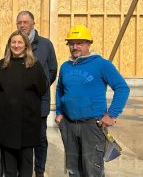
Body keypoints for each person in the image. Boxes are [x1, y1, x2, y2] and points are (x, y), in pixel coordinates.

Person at [55, 25, 130, 177]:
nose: (75, 47)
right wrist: (59, 112)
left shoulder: (101, 64)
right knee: (73, 170)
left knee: (92, 170)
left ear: (89, 44)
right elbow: (60, 90)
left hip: (92, 126)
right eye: (71, 43)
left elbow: (122, 88)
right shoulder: (65, 67)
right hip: (69, 125)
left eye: (80, 43)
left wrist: (112, 115)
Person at [0, 30, 47, 177]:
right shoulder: (2, 65)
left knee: (26, 166)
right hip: (7, 121)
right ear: (9, 45)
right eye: (13, 42)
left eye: (20, 42)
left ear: (26, 45)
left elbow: (42, 89)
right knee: (9, 168)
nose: (16, 45)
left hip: (28, 122)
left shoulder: (34, 66)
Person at [16, 10, 57, 177]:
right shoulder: (14, 43)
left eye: (25, 22)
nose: (22, 25)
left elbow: (53, 69)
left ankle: (39, 171)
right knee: (21, 137)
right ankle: (23, 170)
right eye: (19, 22)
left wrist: (43, 86)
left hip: (39, 101)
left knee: (40, 138)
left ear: (33, 24)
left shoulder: (45, 45)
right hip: (19, 103)